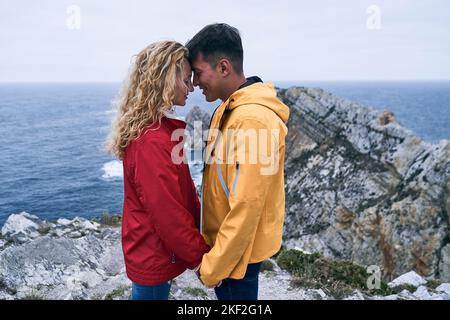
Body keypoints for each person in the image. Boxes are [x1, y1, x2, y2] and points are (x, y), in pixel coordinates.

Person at [186, 23, 290, 300]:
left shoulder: (253, 119)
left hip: (235, 258)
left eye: (197, 73)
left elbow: (247, 204)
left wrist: (213, 266)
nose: (194, 83)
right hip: (228, 249)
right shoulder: (229, 108)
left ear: (223, 67)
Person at [106, 41, 210, 300]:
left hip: (150, 249)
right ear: (165, 79)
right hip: (153, 253)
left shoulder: (156, 129)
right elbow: (168, 213)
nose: (191, 87)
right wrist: (201, 259)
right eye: (185, 80)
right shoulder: (152, 139)